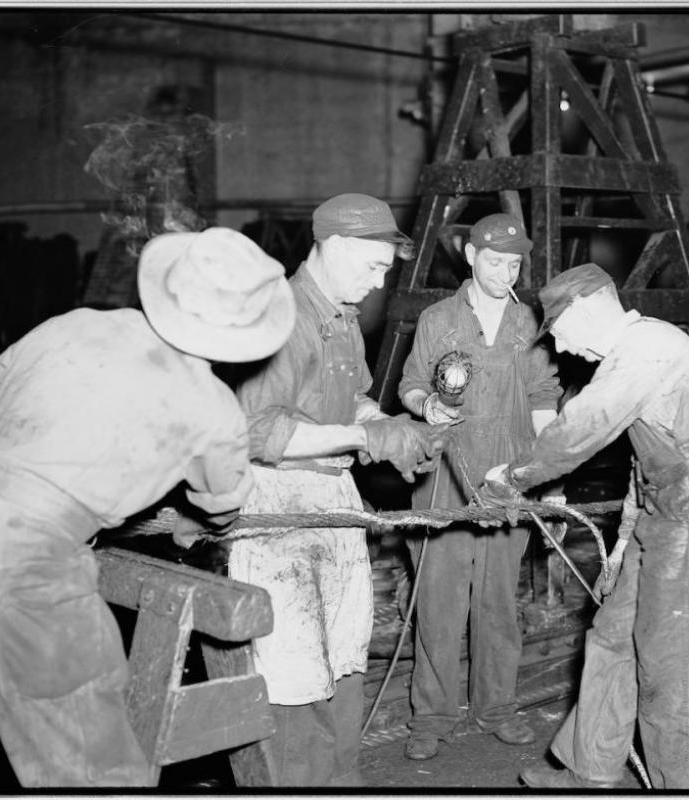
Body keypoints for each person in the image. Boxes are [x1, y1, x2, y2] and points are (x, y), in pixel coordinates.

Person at [0, 226, 296, 787]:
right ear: (244, 333)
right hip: (26, 570)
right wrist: (190, 520)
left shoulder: (73, 326)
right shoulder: (212, 411)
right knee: (91, 763)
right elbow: (220, 509)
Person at [477, 263, 689, 790]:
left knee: (671, 657)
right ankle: (590, 766)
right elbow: (645, 463)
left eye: (557, 333)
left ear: (584, 308)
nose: (561, 349)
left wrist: (513, 479)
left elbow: (584, 428)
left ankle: (685, 787)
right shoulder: (634, 355)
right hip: (668, 504)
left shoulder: (647, 346)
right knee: (611, 634)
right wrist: (624, 540)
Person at [228, 192, 446, 787]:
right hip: (280, 505)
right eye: (374, 267)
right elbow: (258, 430)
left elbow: (352, 396)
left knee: (345, 661)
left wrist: (382, 421)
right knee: (294, 673)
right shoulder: (285, 317)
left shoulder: (342, 316)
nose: (379, 284)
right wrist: (364, 436)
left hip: (333, 499)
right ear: (338, 245)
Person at [398, 213, 563, 761]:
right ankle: (432, 719)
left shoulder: (529, 323)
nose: (505, 271)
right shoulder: (438, 318)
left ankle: (496, 708)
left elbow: (543, 396)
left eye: (514, 263)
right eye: (495, 261)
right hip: (445, 476)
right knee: (439, 603)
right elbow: (410, 383)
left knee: (498, 604)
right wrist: (428, 406)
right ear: (470, 256)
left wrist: (550, 473)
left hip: (507, 478)